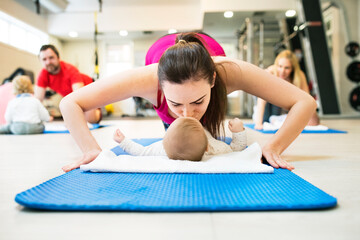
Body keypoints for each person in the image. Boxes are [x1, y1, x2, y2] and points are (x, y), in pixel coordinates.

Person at [61, 32, 317, 172]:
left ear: (214, 81)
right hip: (160, 54)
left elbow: (304, 102)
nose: (187, 114)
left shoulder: (231, 72)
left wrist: (274, 146)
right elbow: (70, 103)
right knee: (179, 144)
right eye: (176, 104)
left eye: (197, 101)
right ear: (160, 88)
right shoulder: (144, 80)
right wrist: (90, 150)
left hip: (206, 51)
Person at [113, 117, 247, 161]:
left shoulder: (161, 148)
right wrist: (238, 129)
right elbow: (237, 148)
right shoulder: (215, 148)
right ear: (207, 147)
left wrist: (123, 141)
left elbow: (140, 152)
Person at [253, 49, 320, 130]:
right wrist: (258, 123)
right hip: (264, 96)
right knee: (264, 120)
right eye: (280, 66)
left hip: (279, 100)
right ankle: (256, 113)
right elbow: (261, 100)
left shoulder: (299, 76)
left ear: (292, 68)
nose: (282, 71)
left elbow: (308, 100)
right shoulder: (270, 72)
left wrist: (314, 119)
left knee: (273, 118)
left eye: (287, 68)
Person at [35, 44, 101, 123]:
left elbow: (79, 96)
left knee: (91, 120)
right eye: (44, 59)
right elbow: (37, 100)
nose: (48, 62)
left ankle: (97, 112)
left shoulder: (70, 70)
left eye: (51, 58)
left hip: (90, 89)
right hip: (75, 97)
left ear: (58, 58)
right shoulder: (43, 74)